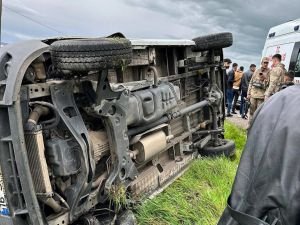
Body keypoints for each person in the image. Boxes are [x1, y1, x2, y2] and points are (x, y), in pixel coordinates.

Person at [247, 57, 270, 126]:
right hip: (253, 95)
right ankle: (249, 126)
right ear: (261, 63)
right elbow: (251, 82)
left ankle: (256, 127)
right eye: (264, 62)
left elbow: (269, 84)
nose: (265, 64)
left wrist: (264, 78)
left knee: (258, 113)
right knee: (251, 112)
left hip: (261, 96)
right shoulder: (257, 71)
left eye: (267, 63)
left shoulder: (269, 72)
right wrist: (248, 93)